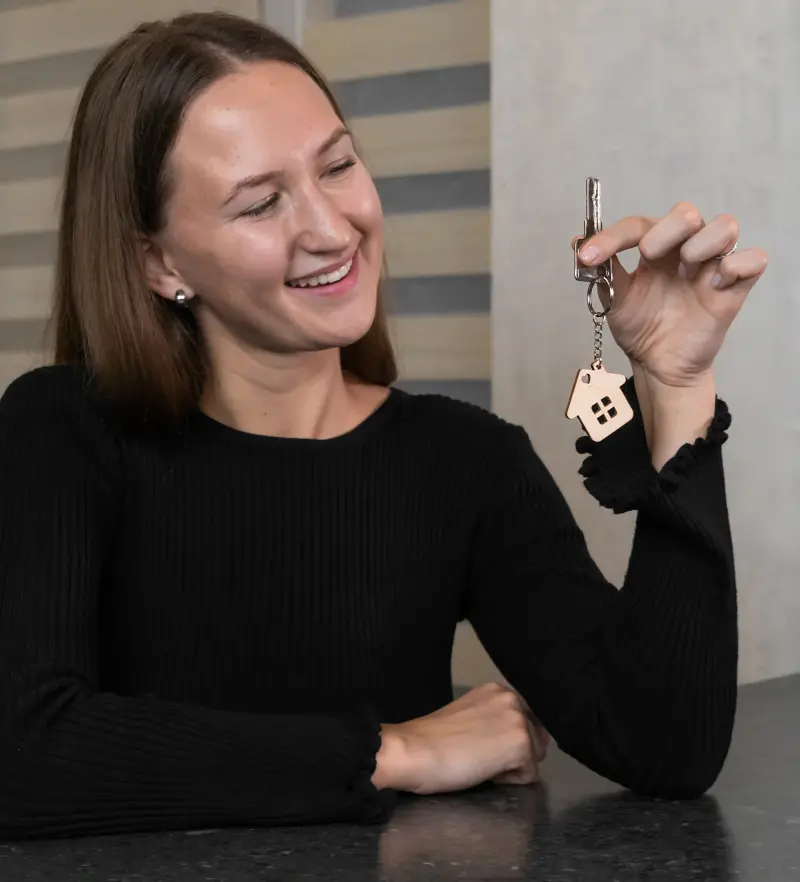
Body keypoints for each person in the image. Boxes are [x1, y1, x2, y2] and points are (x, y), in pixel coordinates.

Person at [0, 11, 767, 841]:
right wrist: (390, 753)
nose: (331, 229)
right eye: (261, 204)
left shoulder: (464, 460)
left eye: (337, 165)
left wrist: (677, 385)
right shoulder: (64, 430)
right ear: (159, 262)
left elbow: (664, 745)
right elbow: (24, 754)